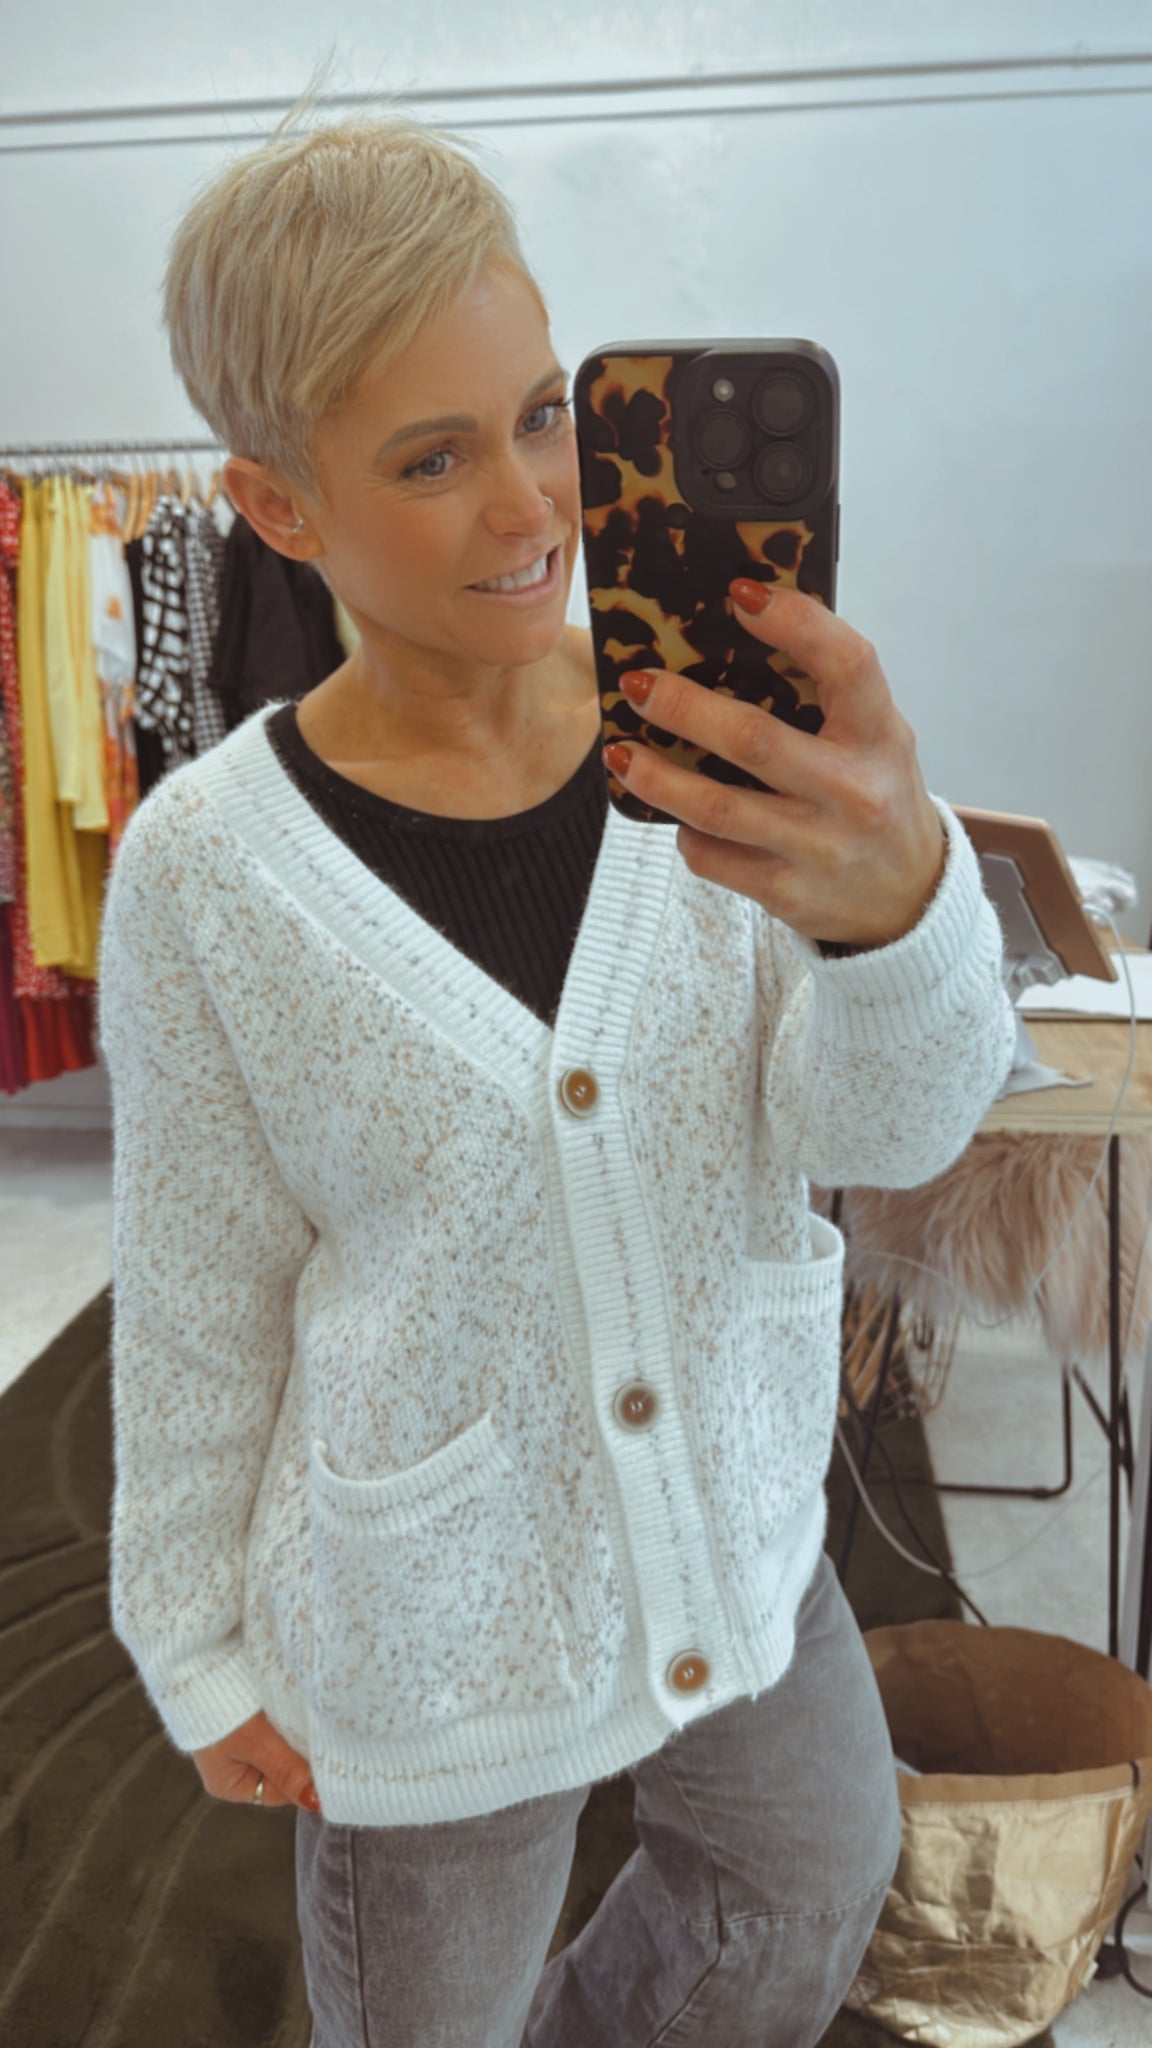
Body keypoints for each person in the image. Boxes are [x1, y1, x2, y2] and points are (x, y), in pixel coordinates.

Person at [98, 110, 1015, 2048]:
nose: (532, 507)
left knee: (808, 1877)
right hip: (433, 1611)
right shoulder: (205, 872)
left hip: (737, 1519)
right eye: (432, 458)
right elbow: (196, 1282)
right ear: (278, 507)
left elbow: (887, 1127)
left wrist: (902, 909)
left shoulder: (720, 755)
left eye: (541, 416)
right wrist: (189, 1637)